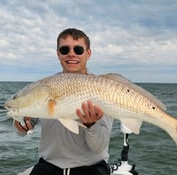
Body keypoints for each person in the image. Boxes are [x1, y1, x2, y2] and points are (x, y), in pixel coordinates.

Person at [14, 28, 114, 175]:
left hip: (91, 168)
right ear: (58, 54)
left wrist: (91, 125)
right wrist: (22, 125)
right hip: (48, 166)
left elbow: (98, 147)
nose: (71, 54)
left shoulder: (102, 89)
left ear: (88, 53)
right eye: (65, 49)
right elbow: (23, 127)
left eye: (78, 49)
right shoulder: (44, 87)